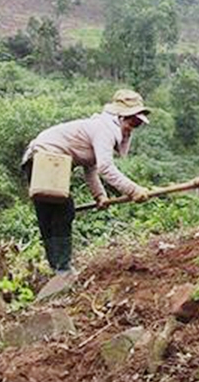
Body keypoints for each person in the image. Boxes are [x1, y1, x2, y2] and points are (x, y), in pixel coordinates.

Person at [21, 89, 153, 274]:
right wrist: (134, 190)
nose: (133, 127)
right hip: (48, 156)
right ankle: (62, 269)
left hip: (37, 158)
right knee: (62, 209)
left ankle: (56, 267)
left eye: (138, 123)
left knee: (49, 214)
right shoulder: (104, 129)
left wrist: (99, 195)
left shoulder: (98, 127)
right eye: (133, 121)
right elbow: (105, 168)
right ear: (121, 117)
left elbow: (90, 168)